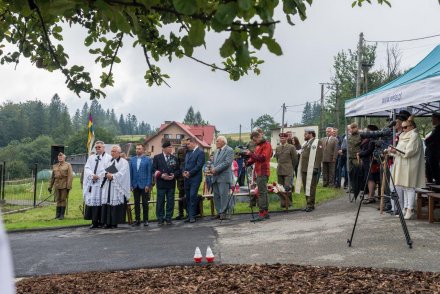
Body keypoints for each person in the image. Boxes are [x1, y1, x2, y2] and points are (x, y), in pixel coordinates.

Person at [389, 116, 425, 220]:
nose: (403, 129)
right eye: (402, 127)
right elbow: (401, 149)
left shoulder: (414, 135)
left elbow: (409, 151)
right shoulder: (403, 135)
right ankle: (405, 208)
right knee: (404, 186)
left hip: (410, 164)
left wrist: (396, 151)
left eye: (405, 127)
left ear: (412, 126)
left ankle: (410, 209)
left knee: (409, 187)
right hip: (402, 163)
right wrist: (394, 151)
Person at [244, 130, 273, 221]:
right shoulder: (258, 146)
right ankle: (264, 212)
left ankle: (263, 213)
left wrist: (251, 154)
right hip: (258, 171)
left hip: (263, 171)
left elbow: (262, 158)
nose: (254, 143)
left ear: (258, 137)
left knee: (262, 192)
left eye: (255, 141)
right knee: (261, 192)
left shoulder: (267, 145)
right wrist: (247, 163)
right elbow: (254, 159)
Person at [83, 141, 112, 229]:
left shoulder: (109, 158)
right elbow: (87, 168)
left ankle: (103, 222)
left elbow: (111, 169)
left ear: (103, 148)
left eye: (99, 147)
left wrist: (100, 176)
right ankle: (94, 222)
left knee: (102, 202)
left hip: (103, 183)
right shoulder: (91, 157)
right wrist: (92, 175)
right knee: (93, 202)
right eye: (96, 147)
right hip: (93, 183)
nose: (97, 149)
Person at [101, 145, 131, 229]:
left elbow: (123, 173)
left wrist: (113, 176)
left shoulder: (123, 162)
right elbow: (103, 169)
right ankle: (107, 223)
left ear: (119, 152)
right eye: (111, 151)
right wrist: (106, 174)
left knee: (114, 202)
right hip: (108, 185)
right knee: (107, 202)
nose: (112, 153)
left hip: (117, 186)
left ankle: (114, 223)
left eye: (114, 151)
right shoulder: (109, 161)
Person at [152, 141, 180, 225]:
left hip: (171, 183)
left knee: (170, 201)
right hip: (161, 183)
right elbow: (153, 169)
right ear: (164, 148)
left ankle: (168, 217)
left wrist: (174, 175)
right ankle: (160, 218)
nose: (171, 149)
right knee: (160, 201)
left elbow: (178, 170)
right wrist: (161, 175)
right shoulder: (157, 157)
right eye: (169, 147)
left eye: (171, 147)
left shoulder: (174, 158)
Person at [295, 128, 323, 212]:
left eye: (306, 134)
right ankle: (308, 203)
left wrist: (316, 167)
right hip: (304, 168)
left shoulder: (317, 142)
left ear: (311, 134)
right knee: (306, 187)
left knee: (311, 187)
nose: (304, 135)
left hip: (311, 168)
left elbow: (319, 156)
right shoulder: (305, 143)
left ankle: (311, 204)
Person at [209, 136, 234, 220]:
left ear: (223, 142)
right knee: (216, 196)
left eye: (217, 141)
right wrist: (212, 168)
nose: (216, 143)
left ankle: (225, 213)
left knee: (224, 196)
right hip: (215, 176)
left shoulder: (229, 150)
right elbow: (212, 162)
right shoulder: (216, 151)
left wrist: (215, 169)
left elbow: (227, 162)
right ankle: (219, 212)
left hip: (223, 177)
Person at [129, 144, 152, 226]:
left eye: (139, 149)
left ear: (143, 150)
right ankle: (137, 220)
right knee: (136, 203)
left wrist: (148, 185)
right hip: (135, 185)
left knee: (145, 203)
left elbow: (149, 173)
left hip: (144, 185)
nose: (137, 150)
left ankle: (146, 220)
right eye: (136, 149)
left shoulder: (148, 159)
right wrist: (130, 185)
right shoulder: (132, 160)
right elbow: (130, 173)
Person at [183, 137, 205, 223]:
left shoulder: (200, 152)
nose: (187, 146)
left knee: (192, 196)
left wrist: (190, 173)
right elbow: (184, 164)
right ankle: (189, 215)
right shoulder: (188, 153)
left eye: (188, 144)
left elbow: (199, 165)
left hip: (195, 178)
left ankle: (193, 216)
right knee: (187, 197)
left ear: (193, 143)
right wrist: (183, 172)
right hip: (187, 178)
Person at [357, 125, 380, 204]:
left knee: (370, 179)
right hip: (365, 160)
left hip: (370, 160)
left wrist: (360, 154)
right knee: (368, 178)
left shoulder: (372, 140)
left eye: (367, 130)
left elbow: (369, 150)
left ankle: (371, 196)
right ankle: (370, 195)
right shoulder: (367, 139)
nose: (365, 132)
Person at [274, 132, 298, 208]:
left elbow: (295, 159)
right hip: (280, 170)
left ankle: (289, 203)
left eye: (283, 138)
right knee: (280, 188)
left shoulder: (291, 147)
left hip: (288, 170)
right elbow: (278, 159)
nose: (282, 139)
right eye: (281, 138)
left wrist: (291, 167)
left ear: (287, 138)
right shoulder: (278, 148)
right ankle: (283, 203)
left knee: (287, 187)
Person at [48, 152, 73, 220]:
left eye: (61, 157)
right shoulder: (55, 166)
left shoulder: (68, 165)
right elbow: (53, 177)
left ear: (64, 158)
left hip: (64, 184)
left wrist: (68, 186)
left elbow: (70, 176)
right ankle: (57, 215)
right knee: (58, 199)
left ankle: (62, 215)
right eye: (59, 157)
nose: (60, 158)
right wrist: (50, 186)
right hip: (57, 184)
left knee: (63, 199)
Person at [425, 112, 440, 184]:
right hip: (431, 154)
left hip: (434, 154)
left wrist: (427, 140)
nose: (432, 121)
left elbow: (429, 140)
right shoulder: (436, 129)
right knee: (429, 171)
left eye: (432, 119)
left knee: (434, 171)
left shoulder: (438, 129)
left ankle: (436, 186)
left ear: (436, 119)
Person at [348, 122, 362, 200]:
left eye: (353, 128)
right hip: (350, 158)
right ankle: (352, 187)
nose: (352, 129)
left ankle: (359, 188)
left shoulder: (361, 135)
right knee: (350, 173)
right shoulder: (349, 136)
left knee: (358, 174)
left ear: (357, 128)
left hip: (357, 158)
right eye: (351, 128)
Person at [175, 138, 188, 220]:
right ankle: (183, 212)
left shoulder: (189, 150)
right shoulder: (183, 150)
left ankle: (183, 212)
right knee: (182, 195)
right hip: (181, 177)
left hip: (185, 176)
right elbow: (178, 163)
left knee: (184, 195)